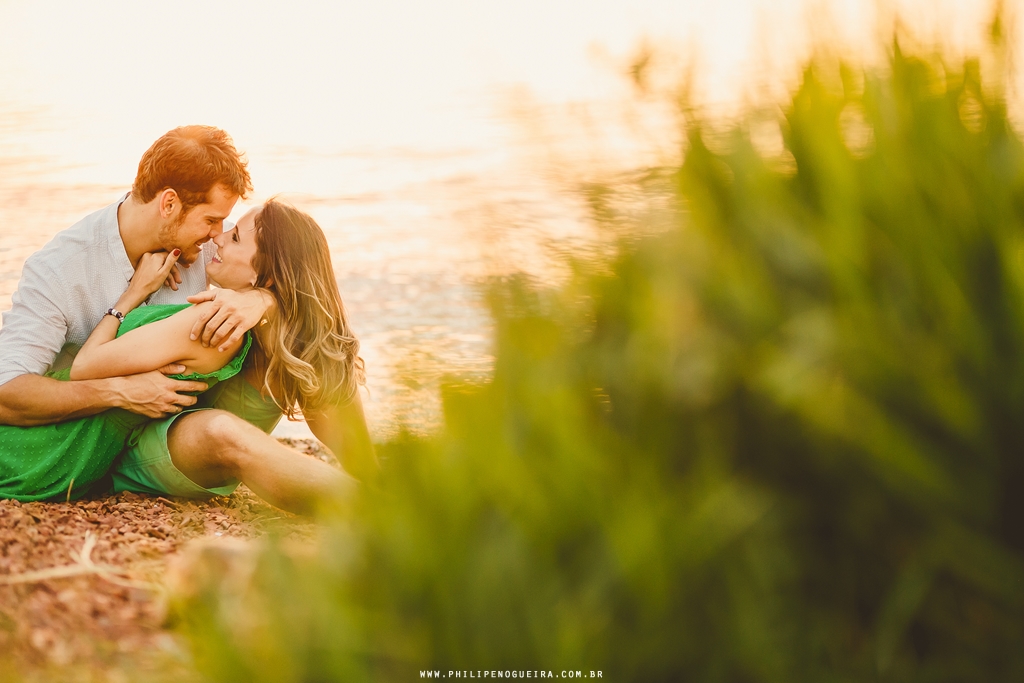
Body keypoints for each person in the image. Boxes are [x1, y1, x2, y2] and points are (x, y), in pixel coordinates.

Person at [0, 200, 374, 514]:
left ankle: (389, 505)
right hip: (149, 442)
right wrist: (131, 297)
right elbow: (85, 366)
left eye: (235, 236)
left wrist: (264, 300)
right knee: (223, 432)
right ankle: (369, 511)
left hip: (176, 435)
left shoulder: (296, 336)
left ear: (268, 275)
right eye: (219, 224)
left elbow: (354, 445)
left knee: (321, 360)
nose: (218, 238)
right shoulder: (210, 320)